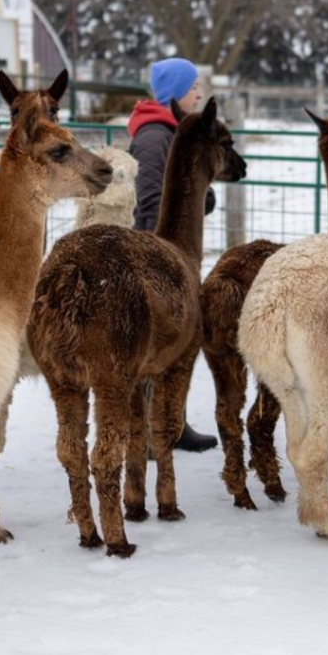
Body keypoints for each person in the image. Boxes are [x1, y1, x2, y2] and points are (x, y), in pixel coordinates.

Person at [127, 57, 218, 453]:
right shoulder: (153, 136)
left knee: (177, 341)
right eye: (192, 86)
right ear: (174, 92)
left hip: (173, 251)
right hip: (156, 253)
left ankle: (171, 422)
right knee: (154, 343)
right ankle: (147, 429)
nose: (198, 93)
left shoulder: (173, 131)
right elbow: (149, 198)